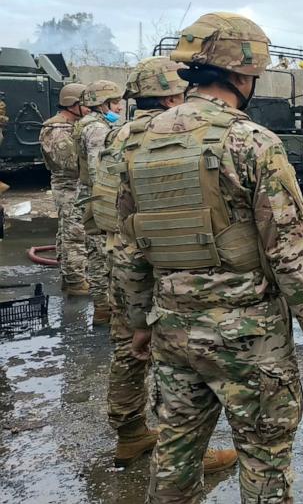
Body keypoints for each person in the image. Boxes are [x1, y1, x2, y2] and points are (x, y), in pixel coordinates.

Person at [118, 12, 303, 503]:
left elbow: (129, 245)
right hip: (247, 336)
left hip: (172, 328)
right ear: (242, 76)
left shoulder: (138, 142)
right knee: (263, 457)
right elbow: (287, 252)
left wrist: (138, 321)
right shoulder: (253, 142)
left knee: (175, 453)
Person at [89, 56, 237, 472]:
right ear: (173, 94)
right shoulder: (171, 136)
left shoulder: (116, 135)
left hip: (119, 254)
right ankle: (183, 451)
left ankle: (130, 432)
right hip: (162, 260)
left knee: (128, 348)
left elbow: (101, 201)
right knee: (172, 358)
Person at [75, 79, 126, 324]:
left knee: (98, 257)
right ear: (102, 104)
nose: (120, 107)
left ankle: (103, 309)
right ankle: (105, 310)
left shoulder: (87, 124)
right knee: (102, 257)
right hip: (99, 200)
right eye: (115, 102)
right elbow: (99, 170)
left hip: (91, 197)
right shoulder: (97, 129)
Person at [39, 83, 90, 295]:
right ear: (72, 104)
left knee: (70, 231)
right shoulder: (56, 129)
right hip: (68, 187)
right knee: (74, 234)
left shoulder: (73, 125)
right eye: (85, 104)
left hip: (75, 187)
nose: (89, 108)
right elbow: (69, 162)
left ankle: (71, 275)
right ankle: (76, 281)